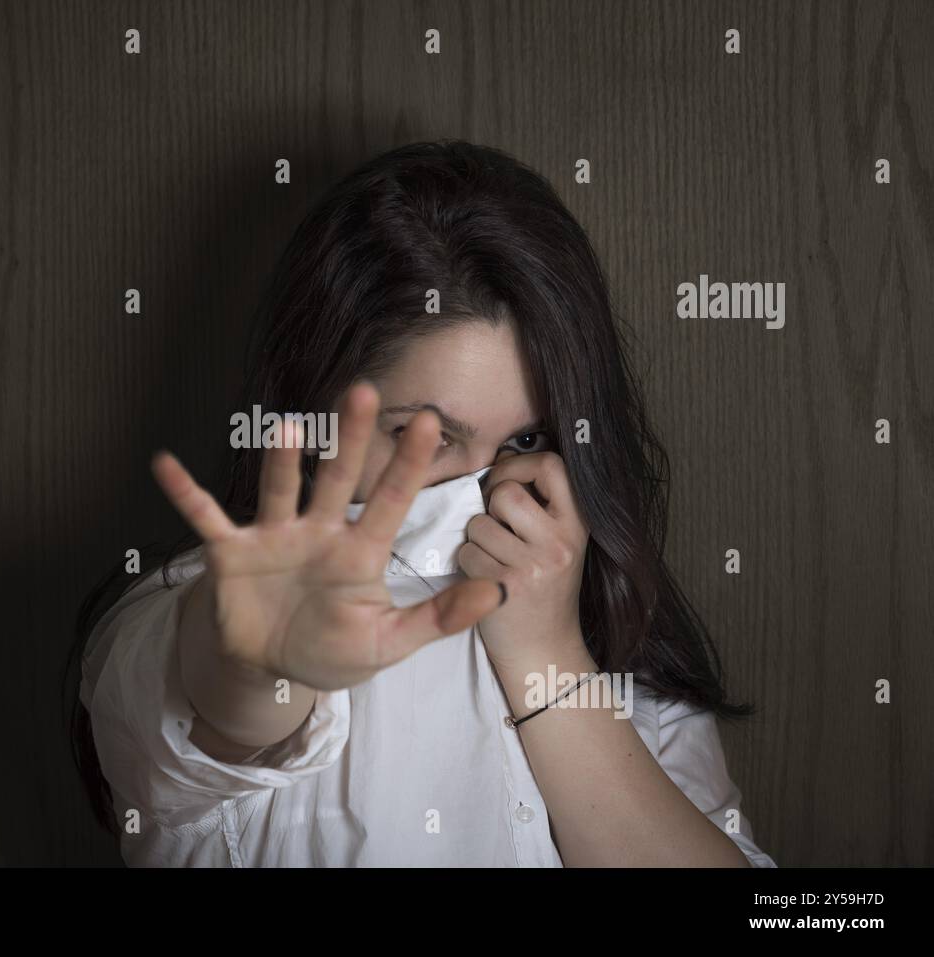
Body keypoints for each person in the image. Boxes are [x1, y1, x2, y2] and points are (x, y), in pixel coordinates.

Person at [71, 139, 777, 867]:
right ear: (315, 415)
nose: (482, 494)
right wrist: (268, 655)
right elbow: (222, 703)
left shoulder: (624, 653)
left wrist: (546, 655)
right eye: (425, 436)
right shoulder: (176, 619)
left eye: (526, 437)